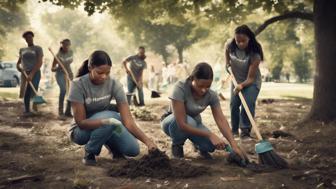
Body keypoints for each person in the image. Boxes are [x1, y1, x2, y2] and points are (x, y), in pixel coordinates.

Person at [68, 50, 157, 165]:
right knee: (111, 119)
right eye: (100, 73)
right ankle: (90, 151)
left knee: (132, 150)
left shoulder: (114, 84)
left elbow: (128, 121)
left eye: (108, 73)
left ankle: (113, 147)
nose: (104, 76)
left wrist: (148, 142)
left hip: (106, 123)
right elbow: (81, 122)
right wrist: (107, 121)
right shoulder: (78, 84)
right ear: (90, 68)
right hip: (81, 132)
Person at [161, 62, 245, 160]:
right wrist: (209, 134)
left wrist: (234, 145)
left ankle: (197, 145)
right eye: (200, 86)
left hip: (194, 123)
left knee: (210, 146)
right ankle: (177, 146)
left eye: (207, 86)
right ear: (193, 79)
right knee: (189, 122)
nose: (204, 90)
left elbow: (221, 120)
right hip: (172, 123)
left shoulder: (211, 95)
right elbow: (182, 124)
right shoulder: (180, 88)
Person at [225, 25, 264, 139]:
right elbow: (227, 60)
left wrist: (241, 85)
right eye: (238, 41)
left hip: (251, 82)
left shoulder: (255, 53)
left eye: (243, 41)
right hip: (236, 80)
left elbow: (251, 78)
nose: (240, 43)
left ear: (249, 38)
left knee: (247, 103)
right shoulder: (230, 46)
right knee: (234, 104)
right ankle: (234, 131)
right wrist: (227, 66)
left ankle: (245, 131)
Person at [16, 31, 44, 116]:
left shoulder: (38, 48)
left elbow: (39, 62)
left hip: (35, 72)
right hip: (25, 73)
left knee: (33, 88)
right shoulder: (22, 50)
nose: (29, 39)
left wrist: (32, 74)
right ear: (25, 39)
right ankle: (27, 110)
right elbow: (19, 62)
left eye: (30, 37)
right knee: (26, 90)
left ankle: (35, 104)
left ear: (33, 37)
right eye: (27, 38)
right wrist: (18, 67)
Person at [51, 39, 74, 119]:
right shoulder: (57, 55)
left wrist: (66, 68)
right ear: (62, 45)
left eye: (68, 45)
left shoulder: (71, 52)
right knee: (63, 90)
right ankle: (60, 112)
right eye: (65, 45)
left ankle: (68, 111)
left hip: (69, 73)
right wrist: (59, 67)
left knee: (71, 92)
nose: (67, 47)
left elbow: (70, 61)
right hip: (60, 74)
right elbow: (52, 68)